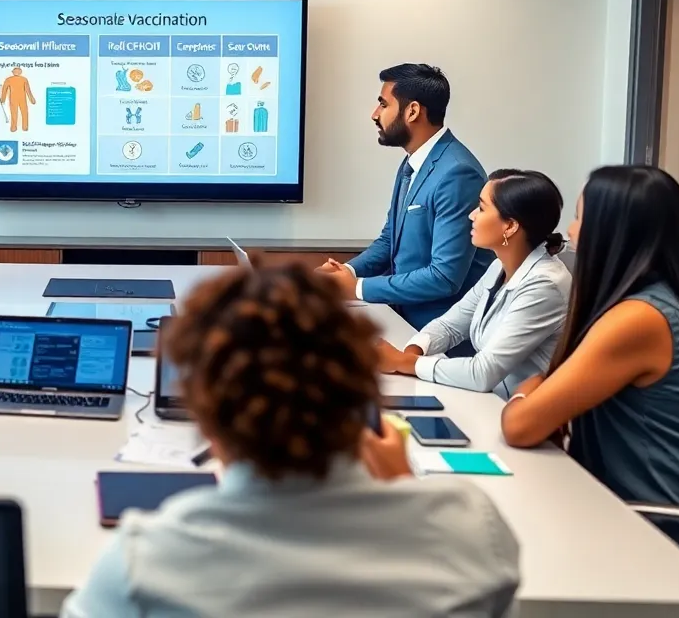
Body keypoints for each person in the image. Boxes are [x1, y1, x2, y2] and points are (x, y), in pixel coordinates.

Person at [61, 263, 520, 618]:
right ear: (361, 390)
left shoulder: (143, 563)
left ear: (205, 417)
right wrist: (405, 486)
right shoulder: (470, 530)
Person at [500, 165, 679, 570]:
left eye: (579, 217)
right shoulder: (661, 301)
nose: (571, 232)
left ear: (612, 231)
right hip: (618, 514)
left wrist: (528, 389)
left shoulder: (640, 319)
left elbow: (520, 426)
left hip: (653, 542)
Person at [317, 64, 493, 332]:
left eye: (383, 104)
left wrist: (357, 288)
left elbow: (444, 277)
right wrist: (347, 273)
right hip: (401, 318)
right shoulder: (412, 163)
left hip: (438, 335)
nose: (375, 114)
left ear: (412, 111)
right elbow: (390, 240)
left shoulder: (458, 172)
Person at [376, 169, 571, 397]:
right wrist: (410, 354)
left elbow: (482, 373)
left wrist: (403, 363)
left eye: (481, 207)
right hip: (490, 404)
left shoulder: (545, 285)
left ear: (510, 226)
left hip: (521, 416)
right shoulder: (499, 266)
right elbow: (450, 326)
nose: (471, 215)